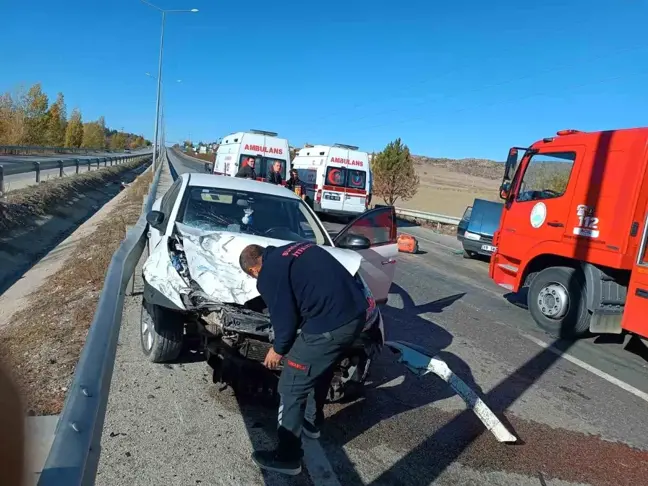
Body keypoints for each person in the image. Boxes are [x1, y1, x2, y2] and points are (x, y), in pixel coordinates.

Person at [239, 242, 369, 476]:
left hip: (329, 325)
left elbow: (285, 322)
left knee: (291, 384)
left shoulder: (267, 274)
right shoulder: (297, 248)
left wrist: (278, 350)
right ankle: (311, 422)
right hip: (356, 314)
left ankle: (287, 457)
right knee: (320, 365)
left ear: (253, 270)